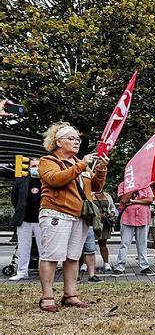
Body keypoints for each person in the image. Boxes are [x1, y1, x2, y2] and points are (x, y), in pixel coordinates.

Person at [36, 122, 108, 312]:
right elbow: (55, 179)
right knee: (51, 256)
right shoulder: (48, 161)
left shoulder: (79, 163)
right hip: (56, 212)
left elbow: (95, 187)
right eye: (71, 138)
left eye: (77, 139)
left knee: (73, 257)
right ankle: (47, 297)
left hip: (79, 216)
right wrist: (82, 164)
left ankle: (70, 295)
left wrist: (100, 170)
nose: (76, 142)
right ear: (58, 142)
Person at [10, 157, 43, 280]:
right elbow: (14, 198)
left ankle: (44, 272)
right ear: (29, 167)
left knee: (43, 247)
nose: (35, 168)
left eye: (37, 166)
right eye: (33, 166)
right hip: (24, 219)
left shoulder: (46, 180)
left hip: (41, 219)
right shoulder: (21, 180)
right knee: (24, 247)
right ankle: (22, 272)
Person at [113, 186, 155, 276]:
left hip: (143, 217)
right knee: (124, 243)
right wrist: (132, 188)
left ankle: (144, 266)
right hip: (127, 218)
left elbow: (150, 200)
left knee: (142, 243)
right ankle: (119, 267)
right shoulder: (124, 184)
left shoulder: (146, 185)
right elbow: (124, 200)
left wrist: (134, 201)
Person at [93, 189, 116, 271]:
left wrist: (112, 213)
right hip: (93, 222)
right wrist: (97, 215)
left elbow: (112, 207)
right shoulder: (90, 194)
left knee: (103, 243)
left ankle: (106, 263)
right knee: (89, 244)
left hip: (105, 222)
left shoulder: (107, 195)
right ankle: (86, 264)